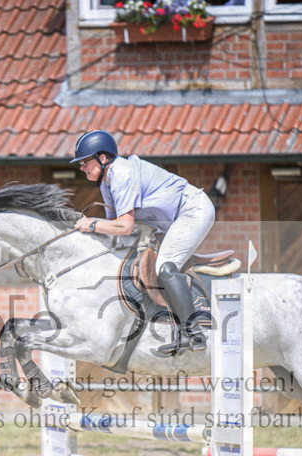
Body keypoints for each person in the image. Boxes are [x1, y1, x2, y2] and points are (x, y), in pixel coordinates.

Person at [71, 130, 216, 356]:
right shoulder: (106, 183)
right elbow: (115, 228)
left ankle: (193, 333)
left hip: (192, 210)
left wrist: (91, 225)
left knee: (165, 267)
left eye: (84, 162)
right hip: (173, 219)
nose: (82, 168)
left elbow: (125, 226)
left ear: (102, 158)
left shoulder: (121, 174)